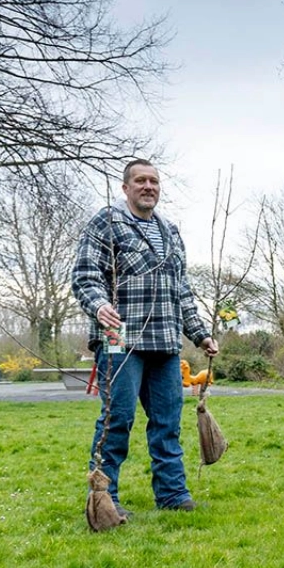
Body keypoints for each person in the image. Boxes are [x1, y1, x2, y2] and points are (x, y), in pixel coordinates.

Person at [72, 158, 219, 519]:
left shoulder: (170, 232)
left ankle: (172, 493)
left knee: (168, 421)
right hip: (118, 335)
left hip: (164, 339)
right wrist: (99, 306)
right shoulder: (106, 223)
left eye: (153, 181)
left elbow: (182, 290)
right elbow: (85, 276)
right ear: (126, 188)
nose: (148, 186)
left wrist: (199, 334)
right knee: (117, 420)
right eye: (140, 180)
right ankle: (104, 500)